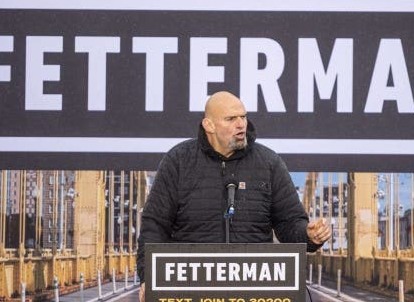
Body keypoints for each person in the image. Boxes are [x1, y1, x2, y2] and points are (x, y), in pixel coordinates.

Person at [137, 91, 332, 301]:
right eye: (231, 119)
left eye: (243, 117)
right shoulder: (178, 161)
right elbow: (155, 226)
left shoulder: (269, 163)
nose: (241, 124)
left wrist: (308, 235)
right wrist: (148, 277)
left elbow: (289, 223)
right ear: (208, 125)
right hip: (191, 287)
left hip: (255, 288)